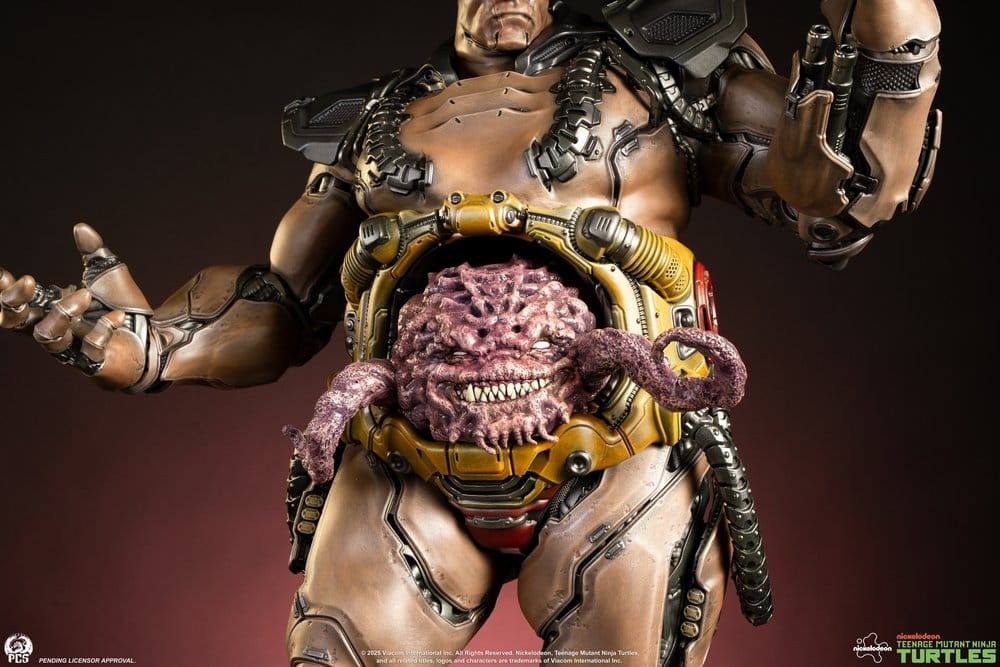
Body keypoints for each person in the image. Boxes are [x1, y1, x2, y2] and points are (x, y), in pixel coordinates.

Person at [0, 1, 941, 665]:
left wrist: (888, 47)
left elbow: (839, 188)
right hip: (402, 467)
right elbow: (282, 303)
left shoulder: (657, 82)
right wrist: (155, 344)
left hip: (619, 460)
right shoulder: (375, 125)